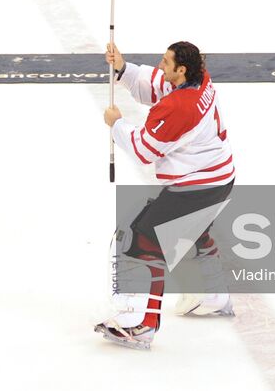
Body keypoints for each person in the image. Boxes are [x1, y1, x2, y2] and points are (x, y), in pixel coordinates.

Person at [96, 39, 235, 350]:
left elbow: (145, 149)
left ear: (181, 69)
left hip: (195, 187)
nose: (161, 65)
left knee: (141, 240)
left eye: (166, 61)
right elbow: (159, 83)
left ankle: (142, 325)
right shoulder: (199, 79)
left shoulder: (179, 107)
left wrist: (117, 125)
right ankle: (213, 296)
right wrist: (123, 68)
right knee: (196, 234)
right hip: (220, 178)